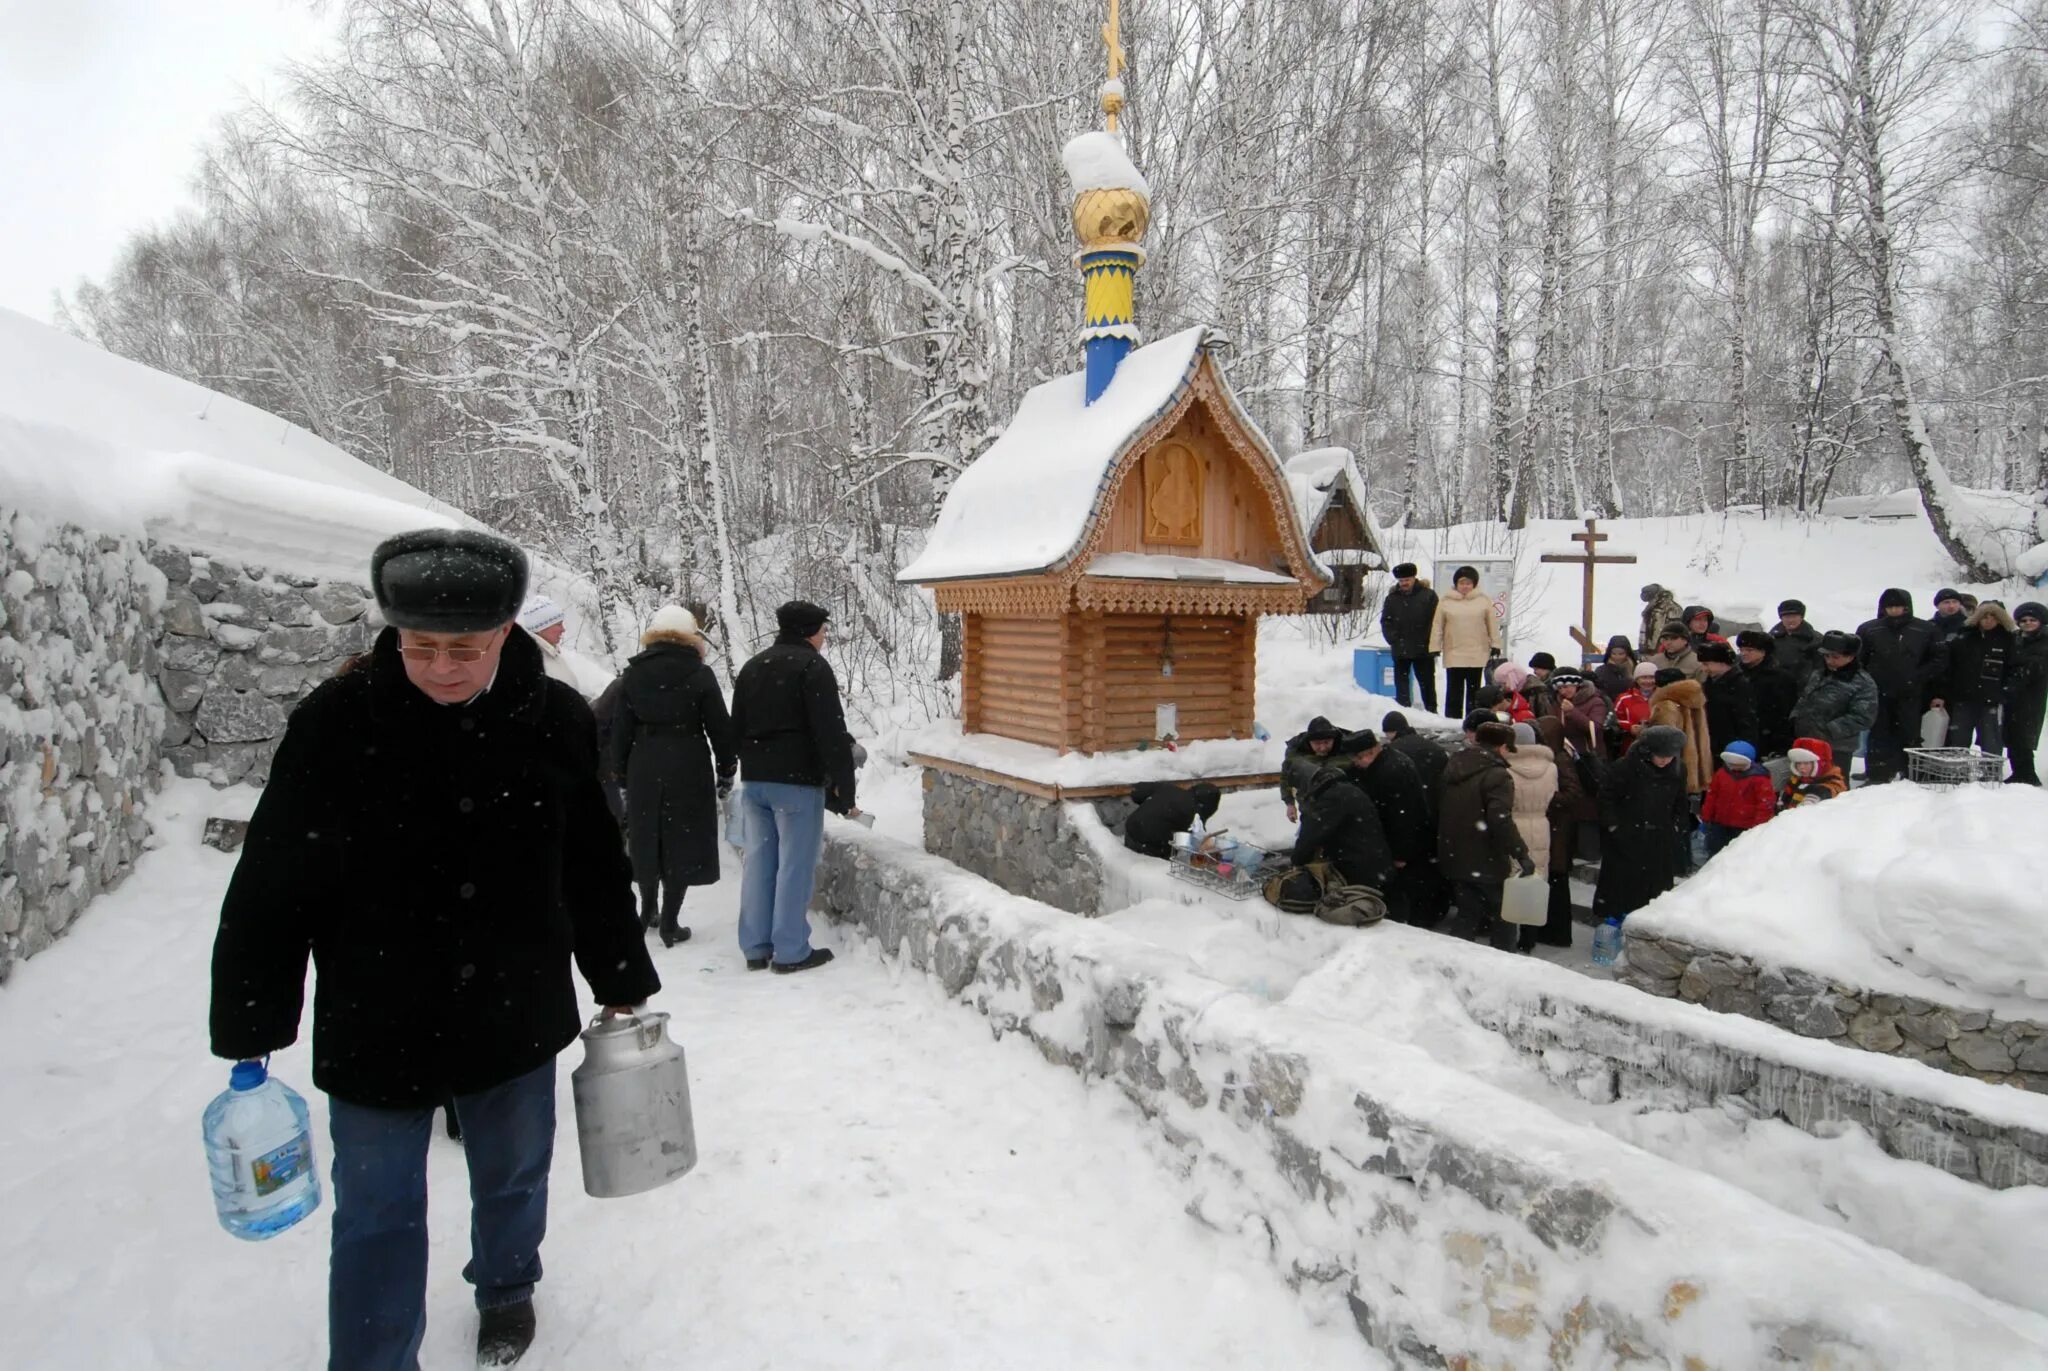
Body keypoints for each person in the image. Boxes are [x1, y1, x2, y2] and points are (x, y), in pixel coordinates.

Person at [209, 529, 659, 1371]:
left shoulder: (554, 718)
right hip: (378, 1011)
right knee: (376, 1209)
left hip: (514, 1002)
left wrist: (619, 975)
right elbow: (275, 880)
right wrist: (252, 1016)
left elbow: (592, 859)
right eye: (421, 647)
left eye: (465, 648)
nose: (442, 667)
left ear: (505, 634)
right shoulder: (335, 724)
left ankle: (506, 1286)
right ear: (394, 633)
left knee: (515, 1174)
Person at [731, 600, 859, 974]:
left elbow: (734, 726)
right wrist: (845, 791)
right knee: (795, 866)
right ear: (808, 632)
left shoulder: (753, 667)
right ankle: (790, 950)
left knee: (759, 862)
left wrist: (749, 763)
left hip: (754, 780)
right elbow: (830, 734)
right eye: (822, 630)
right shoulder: (812, 667)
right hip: (797, 783)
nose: (824, 637)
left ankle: (755, 947)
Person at [611, 606, 737, 949]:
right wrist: (726, 769)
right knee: (682, 836)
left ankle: (645, 912)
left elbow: (620, 730)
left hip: (644, 762)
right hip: (688, 761)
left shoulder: (633, 675)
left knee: (646, 833)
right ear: (689, 637)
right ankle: (670, 922)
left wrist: (620, 773)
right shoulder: (699, 674)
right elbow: (720, 730)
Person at [1437, 719, 1537, 951]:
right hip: (1485, 858)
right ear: (1501, 747)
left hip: (1454, 854)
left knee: (1467, 914)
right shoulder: (1497, 775)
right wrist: (1521, 853)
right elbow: (1500, 820)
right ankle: (1504, 964)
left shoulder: (1454, 766)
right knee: (1504, 917)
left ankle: (1458, 961)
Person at [1593, 724, 1690, 922]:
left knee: (1655, 891)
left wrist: (1676, 826)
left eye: (1669, 756)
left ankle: (1648, 923)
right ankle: (1616, 922)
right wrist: (1615, 827)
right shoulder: (1625, 767)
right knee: (1621, 889)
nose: (1665, 761)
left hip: (1659, 838)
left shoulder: (1678, 770)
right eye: (1660, 756)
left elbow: (1680, 801)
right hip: (1627, 838)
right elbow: (1606, 798)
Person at [1855, 589, 1947, 784]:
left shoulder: (1925, 629)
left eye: (1898, 606)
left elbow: (1939, 659)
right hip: (1878, 691)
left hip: (1912, 691)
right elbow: (1858, 661)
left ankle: (1911, 772)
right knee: (1878, 734)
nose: (1894, 610)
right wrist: (1868, 682)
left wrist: (1918, 677)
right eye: (1890, 607)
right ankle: (1877, 773)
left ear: (1907, 607)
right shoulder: (1869, 629)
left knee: (1910, 733)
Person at [1351, 731, 1440, 925]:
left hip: (1408, 847)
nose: (1356, 764)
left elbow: (1403, 816)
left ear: (1369, 753)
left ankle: (1414, 927)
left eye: (1357, 758)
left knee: (1409, 893)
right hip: (1415, 841)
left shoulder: (1390, 771)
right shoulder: (1391, 761)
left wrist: (1400, 854)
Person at [1291, 764, 1396, 893]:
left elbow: (1310, 836)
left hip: (1359, 870)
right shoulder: (1346, 789)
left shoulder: (1329, 799)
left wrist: (1297, 861)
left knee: (1360, 908)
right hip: (1377, 863)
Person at [1504, 721, 1559, 946]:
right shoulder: (1551, 767)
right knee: (1536, 878)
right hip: (1541, 824)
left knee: (1511, 880)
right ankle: (1529, 938)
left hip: (1514, 824)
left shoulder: (1505, 767)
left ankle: (1507, 935)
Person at [1942, 601, 2016, 753]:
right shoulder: (1964, 639)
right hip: (1964, 697)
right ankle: (1958, 773)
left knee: (1991, 741)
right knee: (1958, 740)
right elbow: (1950, 667)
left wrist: (2004, 692)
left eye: (1993, 617)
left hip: (1992, 701)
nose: (1988, 621)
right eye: (1984, 617)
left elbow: (2014, 669)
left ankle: (1991, 774)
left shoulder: (2009, 640)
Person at [1429, 565, 1501, 719]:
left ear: (1474, 584)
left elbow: (1492, 624)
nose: (1465, 586)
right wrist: (1435, 646)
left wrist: (1495, 644)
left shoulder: (1483, 600)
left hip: (1477, 652)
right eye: (1462, 583)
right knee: (1454, 689)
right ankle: (1452, 720)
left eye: (1468, 583)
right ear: (1456, 584)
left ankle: (1473, 718)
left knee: (1474, 690)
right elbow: (1437, 625)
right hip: (1454, 651)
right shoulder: (1445, 601)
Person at [1379, 563, 1439, 713]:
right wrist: (1393, 639)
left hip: (1423, 649)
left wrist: (1429, 641)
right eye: (1401, 581)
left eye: (1407, 580)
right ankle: (1404, 712)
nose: (1404, 583)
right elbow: (1386, 621)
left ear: (1414, 578)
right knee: (1401, 686)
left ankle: (1432, 713)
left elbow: (1436, 621)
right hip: (1400, 648)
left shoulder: (1428, 595)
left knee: (1427, 685)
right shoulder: (1392, 598)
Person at [1699, 741, 1775, 856]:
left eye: (1740, 764)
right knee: (1715, 855)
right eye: (1731, 764)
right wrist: (1706, 818)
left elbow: (1765, 805)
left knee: (1739, 856)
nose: (1735, 768)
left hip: (1745, 828)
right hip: (1720, 824)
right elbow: (1712, 797)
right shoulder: (1721, 774)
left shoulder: (1759, 779)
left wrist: (1758, 828)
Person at [1647, 671, 1712, 796]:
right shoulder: (1695, 701)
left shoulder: (1666, 704)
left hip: (1674, 765)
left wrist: (1643, 730)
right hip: (1698, 767)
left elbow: (1662, 738)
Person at [1736, 630, 1798, 759]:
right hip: (1741, 734)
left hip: (1768, 737)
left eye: (1749, 650)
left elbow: (1785, 712)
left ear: (1763, 652)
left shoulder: (1781, 678)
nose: (1744, 653)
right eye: (1741, 649)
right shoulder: (1736, 673)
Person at [1281, 715, 1354, 823]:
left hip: (1345, 808)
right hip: (1311, 810)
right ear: (1308, 741)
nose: (1323, 747)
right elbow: (1286, 778)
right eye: (1317, 744)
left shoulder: (1347, 746)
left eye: (1327, 742)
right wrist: (1290, 804)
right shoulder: (1297, 752)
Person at [1123, 780, 1222, 858]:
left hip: (1130, 831)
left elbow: (1137, 791)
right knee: (1179, 847)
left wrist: (1155, 805)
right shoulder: (1195, 814)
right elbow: (1198, 839)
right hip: (1146, 848)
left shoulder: (1168, 788)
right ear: (1210, 807)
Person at [2006, 602, 2048, 785]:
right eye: (2023, 620)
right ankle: (2019, 772)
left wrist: (2018, 670)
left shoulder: (2044, 641)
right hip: (2012, 693)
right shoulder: (2015, 638)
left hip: (2032, 693)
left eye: (2033, 620)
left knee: (2024, 733)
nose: (2028, 623)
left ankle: (2027, 773)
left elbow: (2035, 667)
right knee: (2011, 733)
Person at [1696, 642, 1758, 763]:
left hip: (1732, 747)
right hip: (1712, 745)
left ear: (1722, 662)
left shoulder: (1739, 685)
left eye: (1707, 664)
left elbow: (1746, 721)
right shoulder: (1709, 684)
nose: (1703, 669)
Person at [1381, 711, 1450, 810]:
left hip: (1410, 805)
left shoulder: (1392, 751)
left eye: (1386, 733)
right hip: (1436, 801)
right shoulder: (1433, 746)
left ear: (1391, 731)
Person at [517, 593, 583, 692]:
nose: (563, 629)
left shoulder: (552, 654)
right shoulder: (533, 661)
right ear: (542, 628)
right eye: (558, 624)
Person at [1779, 737, 1849, 808]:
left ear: (1819, 764)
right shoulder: (1796, 780)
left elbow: (1835, 788)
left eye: (1806, 763)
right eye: (1798, 763)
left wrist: (1819, 792)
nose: (1801, 767)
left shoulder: (1833, 779)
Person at [1770, 600, 1825, 685]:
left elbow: (1821, 667)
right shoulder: (1771, 638)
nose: (1791, 620)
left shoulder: (1815, 639)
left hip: (1803, 687)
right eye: (1787, 617)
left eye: (1794, 616)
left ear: (1801, 617)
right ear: (1781, 618)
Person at [1615, 662, 1657, 741]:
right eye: (1644, 677)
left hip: (1658, 743)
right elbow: (1615, 719)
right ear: (1637, 680)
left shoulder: (1662, 698)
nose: (1648, 681)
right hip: (1632, 744)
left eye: (1652, 677)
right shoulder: (1624, 698)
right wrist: (1630, 727)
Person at [1639, 583, 1684, 654]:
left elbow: (1676, 631)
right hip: (1652, 651)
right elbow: (1645, 629)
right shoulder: (1652, 608)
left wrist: (1664, 648)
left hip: (1665, 650)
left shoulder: (1671, 608)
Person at [1593, 635, 1638, 703]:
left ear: (1627, 654)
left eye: (1621, 654)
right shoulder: (1601, 671)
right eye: (1614, 654)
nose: (1617, 657)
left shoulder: (1635, 669)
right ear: (1609, 654)